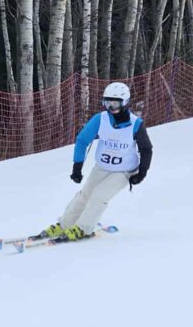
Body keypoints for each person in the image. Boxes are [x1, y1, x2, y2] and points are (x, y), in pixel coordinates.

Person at [42, 82, 153, 241]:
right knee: (84, 195)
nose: (111, 107)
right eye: (108, 103)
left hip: (124, 170)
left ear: (125, 102)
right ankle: (65, 224)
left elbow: (146, 149)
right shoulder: (100, 119)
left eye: (115, 103)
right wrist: (77, 167)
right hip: (102, 167)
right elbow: (82, 140)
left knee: (99, 196)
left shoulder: (136, 124)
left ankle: (83, 228)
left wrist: (141, 173)